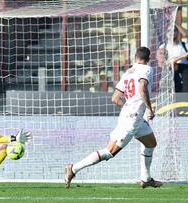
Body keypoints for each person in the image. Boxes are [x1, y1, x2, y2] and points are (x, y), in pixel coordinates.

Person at [65, 47, 162, 189]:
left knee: (151, 143)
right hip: (132, 119)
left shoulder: (128, 73)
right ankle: (73, 168)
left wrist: (128, 108)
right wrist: (149, 108)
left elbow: (115, 98)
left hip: (133, 116)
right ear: (149, 59)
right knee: (109, 152)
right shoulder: (147, 69)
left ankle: (146, 179)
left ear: (135, 57)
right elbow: (142, 88)